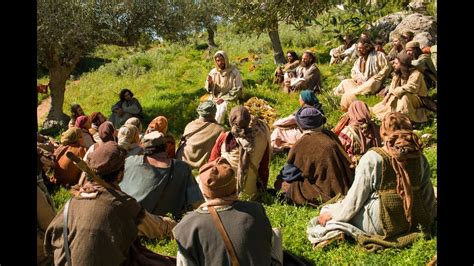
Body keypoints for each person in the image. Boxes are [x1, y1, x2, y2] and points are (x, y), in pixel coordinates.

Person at [307, 112, 436, 251]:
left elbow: (356, 199)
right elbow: (427, 193)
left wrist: (336, 217)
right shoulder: (420, 158)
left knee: (329, 209)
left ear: (383, 132)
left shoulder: (374, 157)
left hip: (382, 223)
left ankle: (336, 229)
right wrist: (427, 219)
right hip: (412, 219)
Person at [44, 141, 178, 265]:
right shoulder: (122, 204)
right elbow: (155, 228)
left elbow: (50, 241)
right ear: (120, 174)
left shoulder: (71, 204)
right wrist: (174, 226)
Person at [173, 157, 281, 266]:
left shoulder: (187, 225)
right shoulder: (256, 210)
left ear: (204, 193)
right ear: (234, 186)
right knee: (275, 233)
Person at [274, 106, 354, 206]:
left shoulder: (304, 143)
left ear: (301, 125)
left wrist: (280, 177)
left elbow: (289, 175)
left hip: (327, 193)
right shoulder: (330, 134)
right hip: (345, 186)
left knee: (281, 184)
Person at [119, 131, 204, 219]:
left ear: (143, 147)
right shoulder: (182, 168)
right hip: (160, 227)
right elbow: (196, 202)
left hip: (124, 219)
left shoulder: (130, 161)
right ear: (166, 147)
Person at [209, 106, 271, 200]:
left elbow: (212, 162)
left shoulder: (225, 138)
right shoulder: (262, 138)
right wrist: (263, 190)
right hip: (251, 195)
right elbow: (264, 169)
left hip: (225, 194)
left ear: (231, 120)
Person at [371, 54, 429, 124]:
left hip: (417, 99)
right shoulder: (398, 74)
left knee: (405, 96)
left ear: (403, 64)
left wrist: (393, 92)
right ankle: (396, 116)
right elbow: (392, 88)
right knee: (379, 109)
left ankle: (405, 120)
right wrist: (389, 95)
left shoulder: (416, 74)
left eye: (396, 63)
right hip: (400, 96)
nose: (394, 65)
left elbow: (412, 88)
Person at [333, 38, 391, 106]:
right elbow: (353, 71)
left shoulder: (378, 55)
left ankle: (349, 94)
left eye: (361, 48)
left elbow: (387, 67)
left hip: (373, 82)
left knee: (371, 83)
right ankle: (347, 94)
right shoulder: (360, 59)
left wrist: (376, 77)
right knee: (345, 82)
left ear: (367, 48)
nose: (358, 50)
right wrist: (357, 79)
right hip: (360, 83)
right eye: (358, 48)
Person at [175, 100, 225, 169]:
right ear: (214, 113)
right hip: (202, 164)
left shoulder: (191, 125)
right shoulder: (220, 130)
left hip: (183, 159)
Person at [332, 100, 381, 165]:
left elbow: (339, 151)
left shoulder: (347, 132)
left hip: (357, 167)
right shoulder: (375, 127)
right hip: (376, 163)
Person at [205, 50, 243, 124]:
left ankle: (217, 128)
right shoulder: (213, 72)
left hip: (228, 97)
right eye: (218, 60)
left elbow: (238, 88)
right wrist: (209, 83)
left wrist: (223, 98)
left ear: (226, 59)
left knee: (220, 112)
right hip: (215, 96)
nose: (220, 63)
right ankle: (206, 128)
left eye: (222, 60)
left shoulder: (234, 72)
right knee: (205, 109)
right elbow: (209, 89)